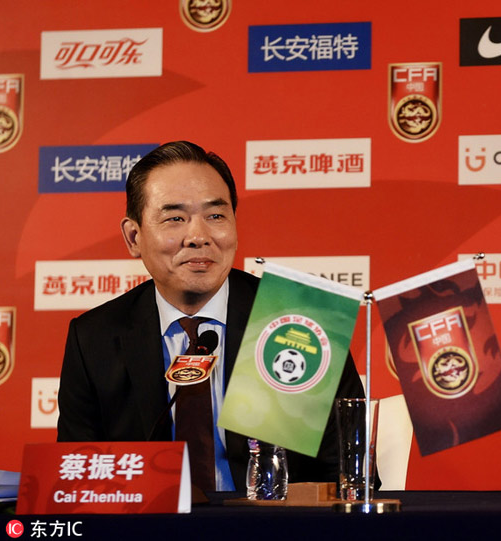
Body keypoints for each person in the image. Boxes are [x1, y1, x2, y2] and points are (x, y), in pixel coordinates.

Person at [57, 140, 365, 492]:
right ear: (133, 237)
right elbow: (76, 478)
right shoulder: (95, 337)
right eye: (175, 218)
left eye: (216, 216)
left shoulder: (298, 323)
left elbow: (345, 478)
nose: (199, 236)